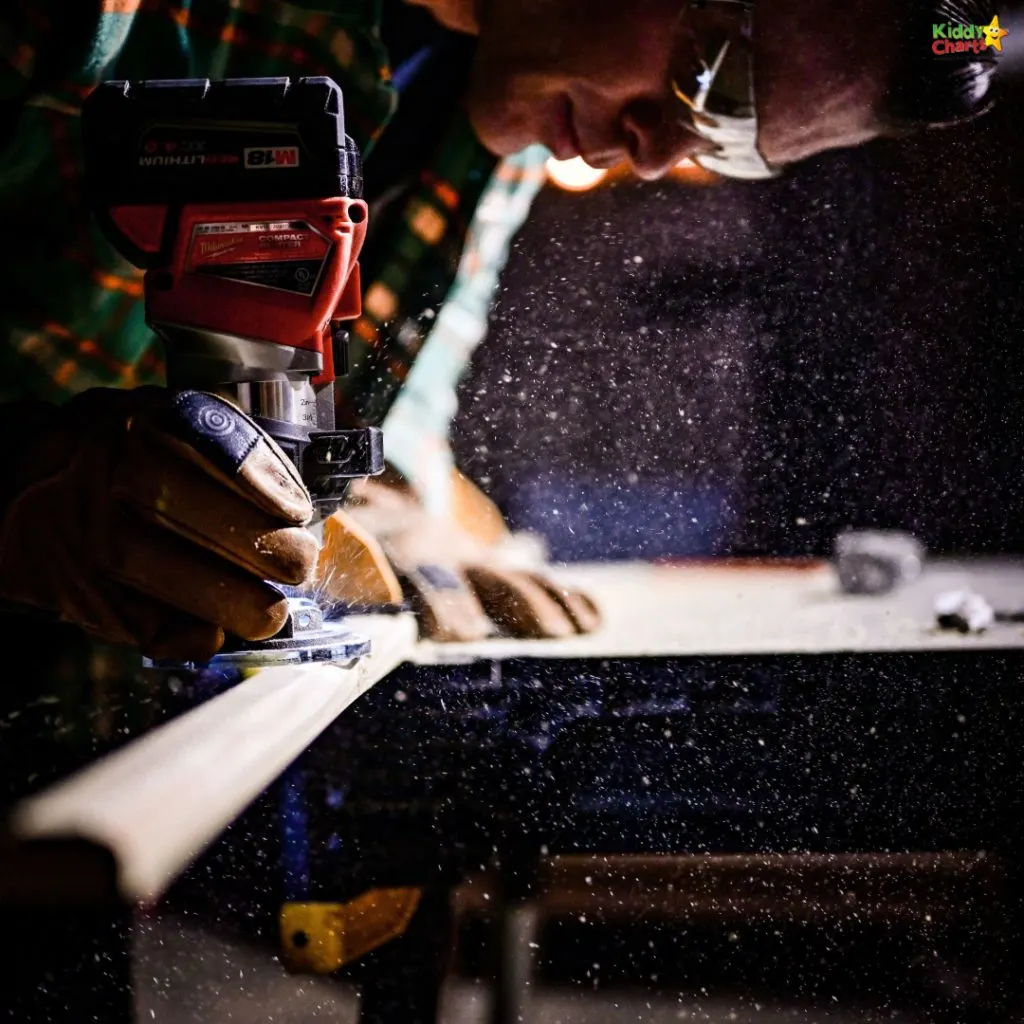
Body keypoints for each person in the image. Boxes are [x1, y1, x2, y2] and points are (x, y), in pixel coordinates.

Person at [0, 0, 1002, 660]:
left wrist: (399, 514)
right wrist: (19, 491)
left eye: (730, 146)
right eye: (716, 81)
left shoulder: (506, 122)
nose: (654, 155)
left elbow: (401, 402)